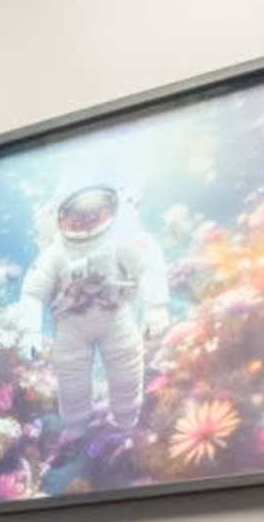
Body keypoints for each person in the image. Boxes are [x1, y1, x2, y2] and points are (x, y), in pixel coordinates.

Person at [15, 181, 166, 442]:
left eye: (94, 213)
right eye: (77, 215)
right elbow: (32, 293)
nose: (85, 221)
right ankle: (76, 424)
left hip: (116, 317)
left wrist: (157, 308)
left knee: (126, 368)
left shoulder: (119, 241)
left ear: (111, 210)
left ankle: (126, 418)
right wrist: (29, 332)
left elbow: (147, 268)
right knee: (70, 376)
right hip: (71, 325)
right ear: (60, 218)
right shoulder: (56, 252)